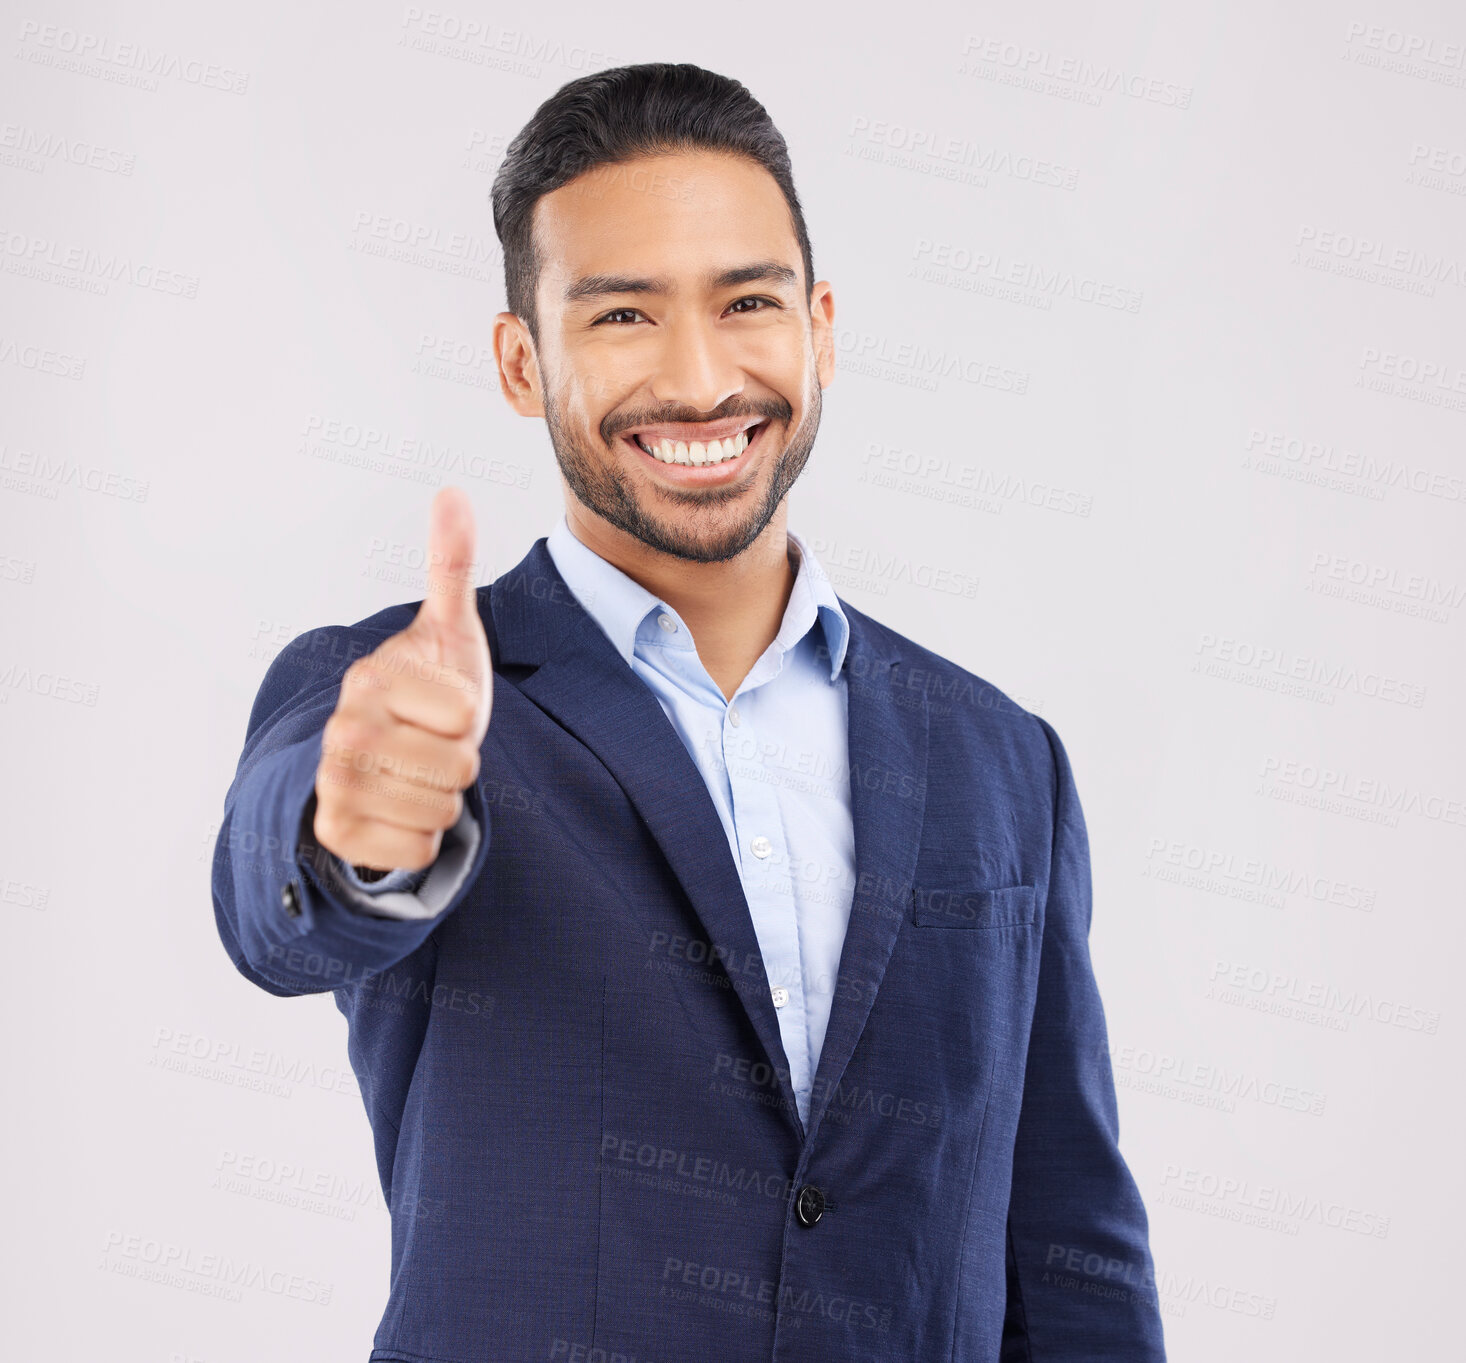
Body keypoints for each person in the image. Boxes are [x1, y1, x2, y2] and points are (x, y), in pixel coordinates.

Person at [213, 62, 1166, 1362]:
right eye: (620, 318)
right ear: (519, 359)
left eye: (747, 303)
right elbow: (283, 904)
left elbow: (1070, 1244)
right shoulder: (407, 695)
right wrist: (358, 835)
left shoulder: (1001, 758)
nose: (700, 377)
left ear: (820, 327)